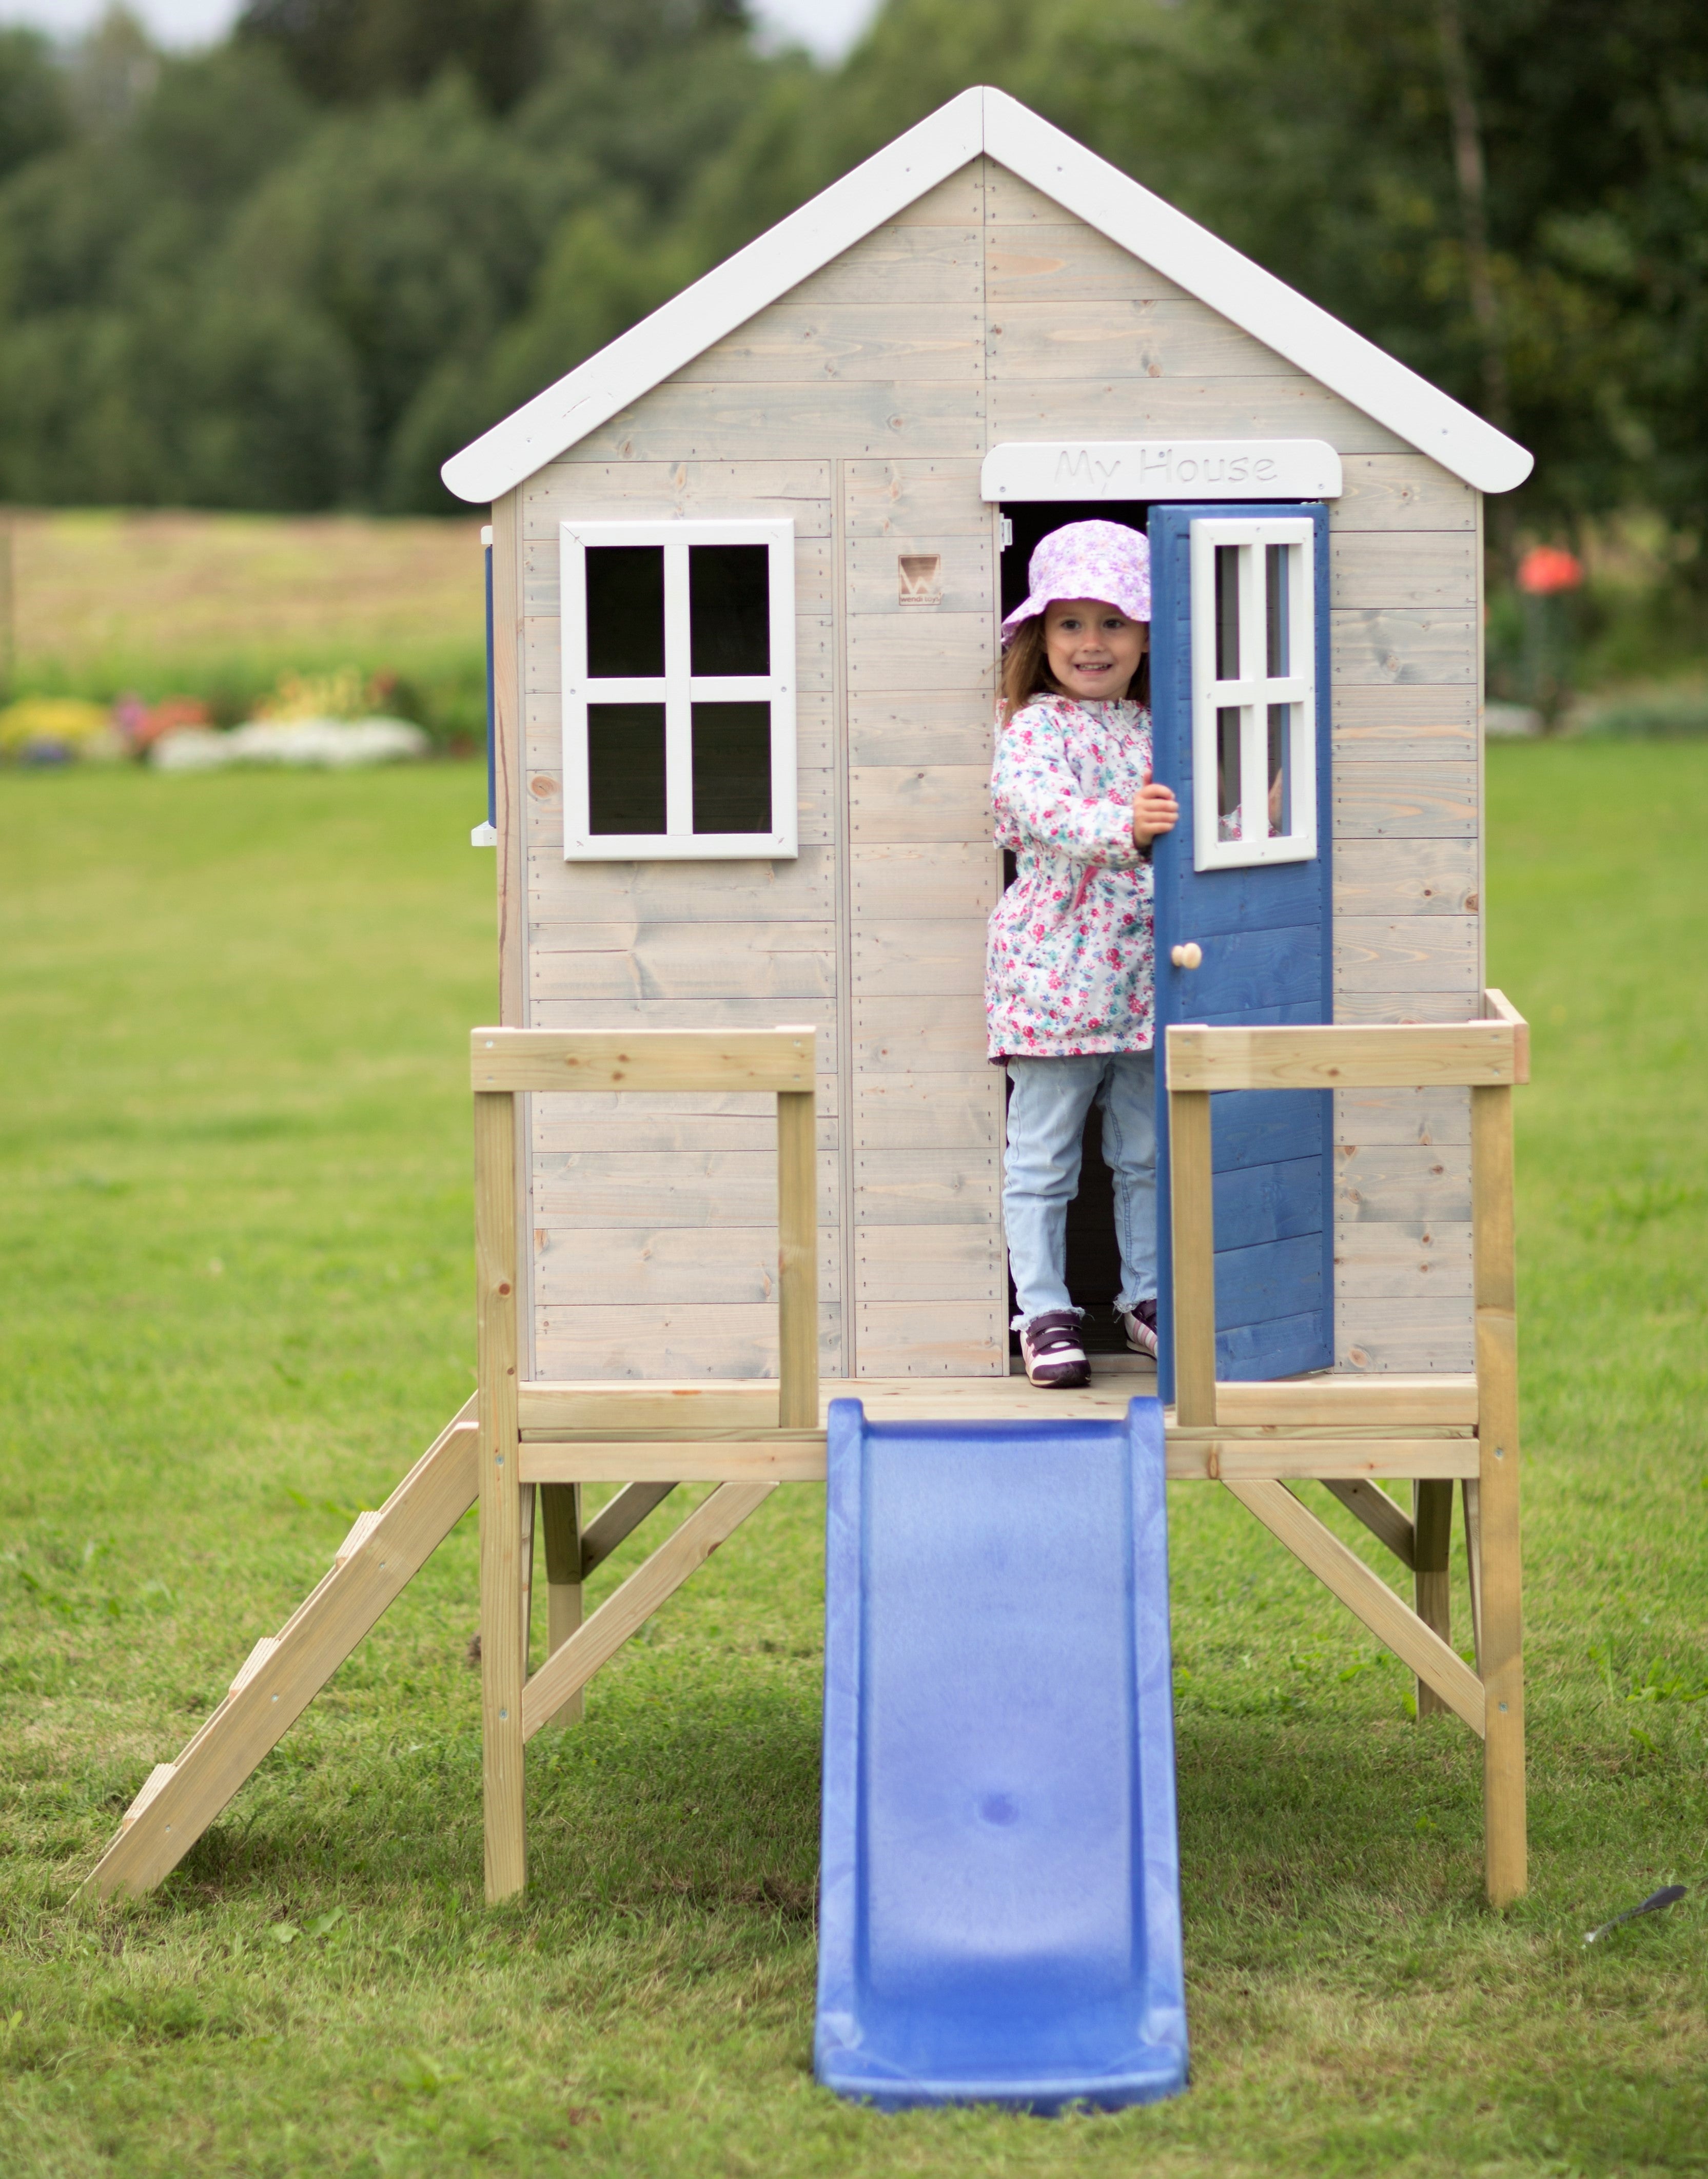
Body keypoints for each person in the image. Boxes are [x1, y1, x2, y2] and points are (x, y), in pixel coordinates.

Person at [986, 521, 1179, 1389]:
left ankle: (1144, 1297)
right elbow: (1037, 811)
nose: (1091, 643)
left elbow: (1198, 818)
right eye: (1070, 623)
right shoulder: (1034, 728)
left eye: (1113, 622)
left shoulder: (1157, 727)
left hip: (1147, 977)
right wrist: (1123, 825)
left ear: (1145, 636)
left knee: (1144, 1152)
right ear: (1041, 635)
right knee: (1044, 1158)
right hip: (1055, 979)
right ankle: (1043, 1310)